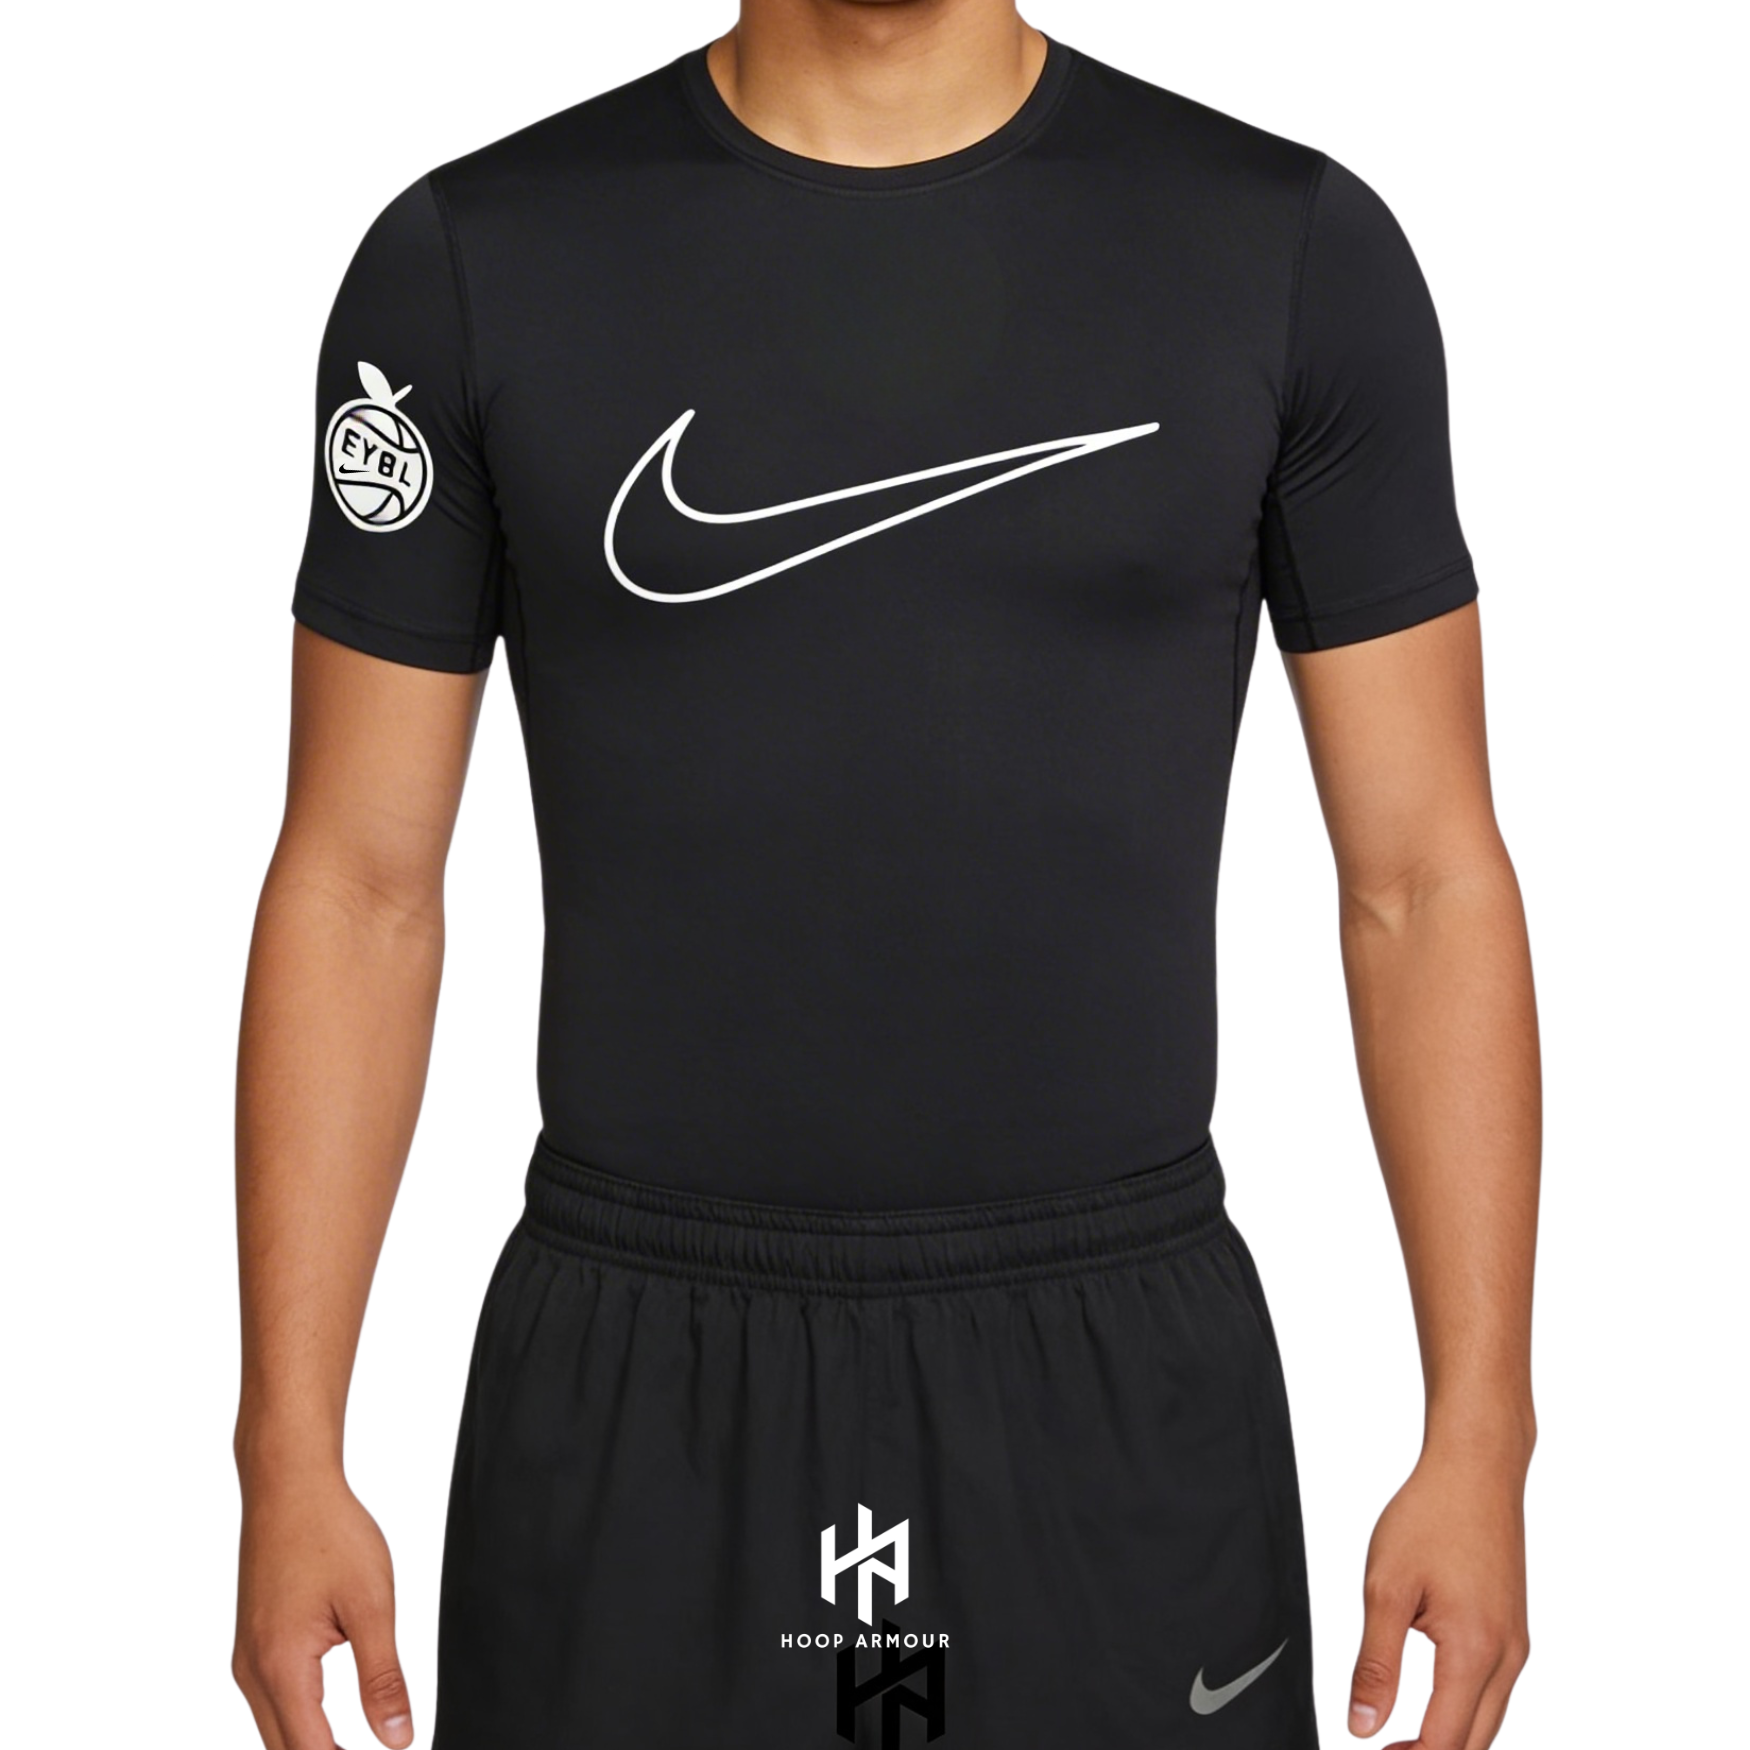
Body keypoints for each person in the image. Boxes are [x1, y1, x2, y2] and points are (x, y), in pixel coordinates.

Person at [231, 3, 1540, 1747]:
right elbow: (356, 883)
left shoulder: (1283, 249)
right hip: (638, 1373)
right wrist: (286, 1448)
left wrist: (1482, 1432)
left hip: (1110, 1384)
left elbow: (1423, 875)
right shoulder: (475, 260)